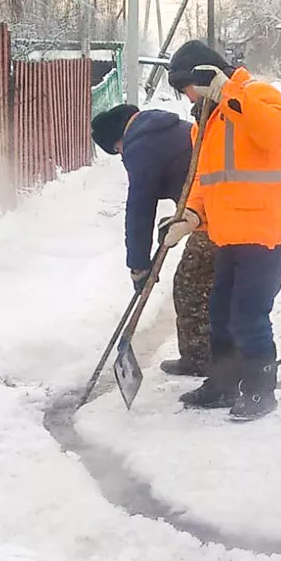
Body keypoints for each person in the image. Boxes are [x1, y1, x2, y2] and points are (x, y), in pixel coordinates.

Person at [156, 40, 281, 422]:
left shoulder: (257, 94)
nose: (186, 96)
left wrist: (230, 91)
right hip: (228, 235)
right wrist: (188, 217)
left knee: (249, 315)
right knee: (220, 312)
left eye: (187, 85)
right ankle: (223, 383)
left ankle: (260, 390)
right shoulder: (206, 123)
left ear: (205, 74)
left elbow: (277, 134)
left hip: (264, 232)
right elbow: (205, 181)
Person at [91, 103, 215, 377]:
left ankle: (202, 359)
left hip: (217, 215)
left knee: (190, 285)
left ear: (118, 140)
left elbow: (140, 207)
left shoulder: (141, 146)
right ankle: (211, 356)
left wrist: (138, 265)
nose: (122, 156)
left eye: (118, 151)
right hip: (212, 209)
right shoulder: (161, 129)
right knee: (206, 283)